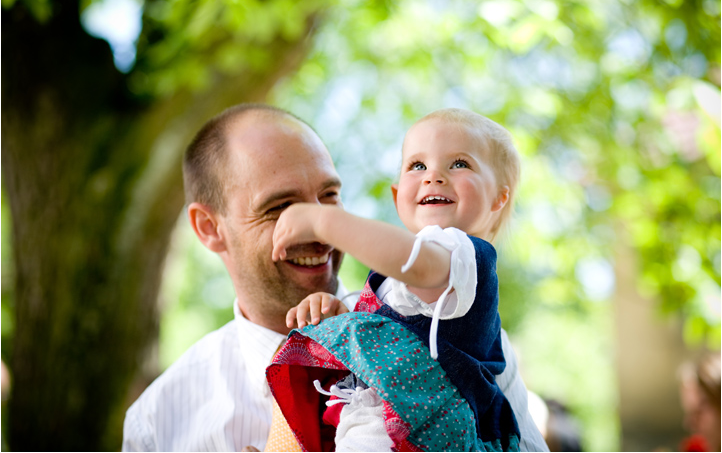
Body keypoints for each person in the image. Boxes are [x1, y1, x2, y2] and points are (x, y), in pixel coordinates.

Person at [122, 104, 548, 452]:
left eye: (329, 198)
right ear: (210, 229)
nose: (317, 228)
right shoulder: (158, 423)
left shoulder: (465, 346)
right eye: (282, 208)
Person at [267, 108, 538, 451]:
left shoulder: (463, 256)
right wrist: (343, 318)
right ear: (397, 197)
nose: (434, 175)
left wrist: (325, 222)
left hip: (430, 435)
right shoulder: (396, 279)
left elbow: (417, 264)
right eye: (417, 166)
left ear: (499, 196)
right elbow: (392, 329)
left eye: (459, 163)